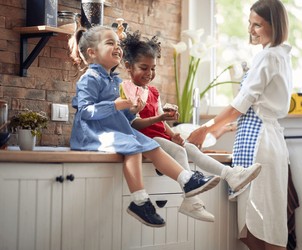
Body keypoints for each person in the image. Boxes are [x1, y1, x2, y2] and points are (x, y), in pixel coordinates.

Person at [67, 26, 221, 228]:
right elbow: (86, 111)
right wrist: (116, 105)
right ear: (92, 53)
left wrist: (130, 110)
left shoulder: (114, 81)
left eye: (118, 43)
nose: (117, 47)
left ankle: (187, 179)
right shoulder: (90, 78)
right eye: (110, 43)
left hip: (114, 130)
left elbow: (119, 115)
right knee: (134, 147)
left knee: (151, 145)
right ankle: (140, 200)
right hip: (92, 134)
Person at [119, 30, 262, 222]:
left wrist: (173, 134)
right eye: (144, 67)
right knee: (181, 153)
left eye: (153, 68)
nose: (149, 73)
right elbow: (134, 123)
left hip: (160, 138)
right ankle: (192, 201)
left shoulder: (153, 91)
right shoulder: (127, 89)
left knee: (190, 148)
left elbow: (159, 121)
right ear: (128, 66)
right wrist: (160, 119)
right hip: (147, 141)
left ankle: (230, 174)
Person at [187, 0, 292, 250]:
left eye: (258, 24)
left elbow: (241, 104)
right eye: (250, 23)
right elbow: (255, 106)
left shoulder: (269, 56)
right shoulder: (276, 54)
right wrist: (229, 127)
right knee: (250, 232)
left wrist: (205, 127)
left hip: (261, 148)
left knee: (268, 231)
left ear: (274, 25)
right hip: (260, 143)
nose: (251, 29)